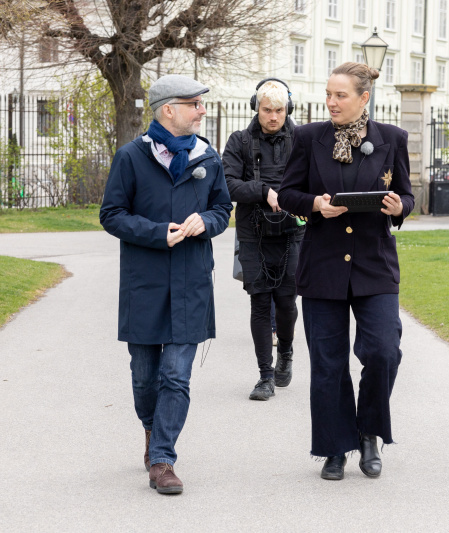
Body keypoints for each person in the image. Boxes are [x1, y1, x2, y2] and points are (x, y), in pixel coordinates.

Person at [278, 62, 414, 481]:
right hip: (322, 266)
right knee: (328, 362)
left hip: (375, 266)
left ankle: (368, 431)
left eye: (340, 95)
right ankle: (335, 447)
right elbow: (287, 193)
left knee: (383, 351)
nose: (331, 102)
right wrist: (316, 205)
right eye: (328, 94)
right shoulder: (306, 137)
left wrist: (399, 207)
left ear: (363, 98)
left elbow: (407, 194)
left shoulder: (392, 139)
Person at [99, 74, 232, 495]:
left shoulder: (208, 158)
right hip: (146, 285)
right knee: (145, 378)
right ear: (168, 109)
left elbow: (222, 209)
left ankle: (162, 459)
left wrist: (205, 222)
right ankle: (152, 430)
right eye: (194, 103)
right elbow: (112, 214)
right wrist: (159, 232)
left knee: (176, 377)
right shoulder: (131, 157)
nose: (202, 110)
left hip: (191, 284)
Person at [222, 78, 302, 400]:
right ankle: (265, 376)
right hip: (252, 232)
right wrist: (264, 191)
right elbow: (227, 185)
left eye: (279, 110)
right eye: (267, 110)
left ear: (288, 109)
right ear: (256, 107)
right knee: (259, 303)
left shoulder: (302, 141)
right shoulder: (239, 141)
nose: (273, 116)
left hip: (293, 232)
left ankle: (285, 351)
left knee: (286, 302)